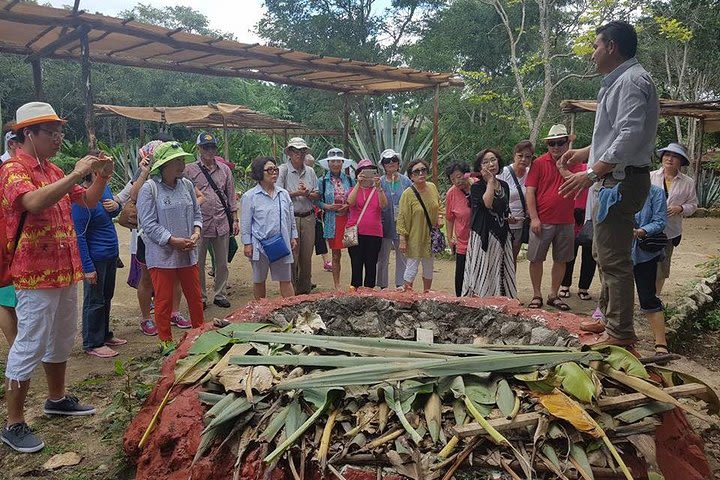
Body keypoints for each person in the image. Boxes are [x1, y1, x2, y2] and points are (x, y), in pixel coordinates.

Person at [1, 102, 112, 453]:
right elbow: (32, 203)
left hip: (66, 270)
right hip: (34, 275)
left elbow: (90, 202)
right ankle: (14, 423)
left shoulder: (53, 170)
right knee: (30, 341)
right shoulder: (13, 169)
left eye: (59, 131)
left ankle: (57, 398)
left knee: (63, 336)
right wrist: (76, 174)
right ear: (27, 134)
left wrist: (102, 177)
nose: (58, 138)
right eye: (51, 132)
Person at [559, 20, 658, 347]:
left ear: (611, 47)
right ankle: (605, 317)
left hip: (620, 183)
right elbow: (616, 137)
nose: (592, 54)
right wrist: (585, 152)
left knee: (614, 260)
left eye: (595, 46)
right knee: (603, 254)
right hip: (614, 180)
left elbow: (629, 137)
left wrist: (590, 173)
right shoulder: (618, 81)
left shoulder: (631, 81)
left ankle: (621, 334)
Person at [115, 140, 191, 335]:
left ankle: (174, 312)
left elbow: (196, 197)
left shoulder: (178, 180)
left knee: (175, 276)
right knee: (147, 278)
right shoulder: (143, 178)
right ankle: (146, 318)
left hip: (172, 232)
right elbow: (133, 194)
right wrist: (145, 171)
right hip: (147, 236)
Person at [136, 142, 205, 352]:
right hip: (162, 255)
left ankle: (199, 336)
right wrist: (172, 240)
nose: (182, 164)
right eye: (177, 160)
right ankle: (166, 341)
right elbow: (147, 223)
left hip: (187, 252)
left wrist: (196, 232)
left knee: (194, 295)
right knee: (163, 300)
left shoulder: (186, 185)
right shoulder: (150, 188)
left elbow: (196, 214)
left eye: (182, 160)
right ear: (164, 165)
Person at [525, 126, 583, 311]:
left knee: (561, 259)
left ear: (567, 143)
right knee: (536, 258)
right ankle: (536, 294)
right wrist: (534, 218)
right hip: (543, 220)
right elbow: (530, 192)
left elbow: (579, 188)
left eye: (560, 142)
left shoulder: (575, 163)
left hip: (566, 220)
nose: (556, 147)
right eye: (551, 143)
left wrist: (563, 168)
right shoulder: (539, 163)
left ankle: (553, 294)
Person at [71, 171, 126, 358]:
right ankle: (93, 342)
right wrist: (87, 267)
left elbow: (114, 213)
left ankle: (104, 334)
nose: (106, 175)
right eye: (100, 171)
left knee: (106, 296)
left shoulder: (104, 189)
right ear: (91, 173)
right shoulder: (81, 199)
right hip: (96, 257)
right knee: (94, 300)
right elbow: (79, 236)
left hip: (110, 255)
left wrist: (117, 206)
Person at [185, 132, 238, 309]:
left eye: (212, 147)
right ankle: (200, 296)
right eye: (205, 147)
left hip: (221, 221)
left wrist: (235, 219)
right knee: (198, 262)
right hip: (198, 224)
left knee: (222, 262)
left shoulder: (225, 170)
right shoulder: (189, 170)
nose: (209, 150)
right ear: (199, 148)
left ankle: (220, 293)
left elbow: (230, 195)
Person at [241, 157, 297, 299]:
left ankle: (292, 311)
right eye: (270, 170)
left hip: (282, 243)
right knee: (259, 280)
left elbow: (290, 218)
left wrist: (293, 236)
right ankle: (261, 312)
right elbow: (246, 223)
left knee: (286, 279)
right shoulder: (250, 196)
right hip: (259, 246)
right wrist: (247, 244)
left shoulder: (283, 194)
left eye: (275, 169)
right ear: (260, 173)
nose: (274, 173)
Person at [463, 152, 517, 297]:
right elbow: (487, 203)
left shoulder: (504, 185)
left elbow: (503, 206)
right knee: (484, 270)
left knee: (501, 269)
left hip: (502, 234)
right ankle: (484, 300)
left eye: (493, 160)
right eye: (486, 162)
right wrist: (491, 182)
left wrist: (509, 216)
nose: (491, 164)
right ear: (480, 167)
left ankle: (502, 299)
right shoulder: (476, 187)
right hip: (484, 236)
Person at [650, 142, 698, 295]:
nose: (670, 159)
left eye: (675, 156)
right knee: (641, 263)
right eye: (667, 155)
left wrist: (680, 208)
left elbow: (693, 205)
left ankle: (655, 297)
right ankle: (643, 295)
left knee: (662, 266)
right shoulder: (650, 177)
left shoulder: (687, 182)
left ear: (681, 162)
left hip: (669, 231)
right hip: (647, 228)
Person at [276, 137, 319, 295]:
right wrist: (297, 193)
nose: (299, 154)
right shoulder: (282, 170)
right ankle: (291, 293)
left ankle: (304, 292)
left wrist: (307, 193)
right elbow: (278, 194)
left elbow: (317, 194)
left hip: (308, 217)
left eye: (302, 151)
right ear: (289, 152)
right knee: (291, 257)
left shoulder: (310, 171)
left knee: (306, 257)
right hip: (290, 218)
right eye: (296, 150)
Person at [631, 185, 670, 355]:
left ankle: (661, 342)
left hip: (643, 252)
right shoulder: (613, 189)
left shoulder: (655, 192)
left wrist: (641, 231)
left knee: (647, 296)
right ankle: (612, 331)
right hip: (617, 250)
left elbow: (660, 221)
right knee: (613, 293)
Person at [397, 159, 441, 293]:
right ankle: (408, 294)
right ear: (411, 176)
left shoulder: (432, 187)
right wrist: (403, 238)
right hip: (415, 235)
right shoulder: (408, 194)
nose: (421, 173)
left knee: (429, 265)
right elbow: (402, 217)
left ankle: (426, 293)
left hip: (430, 235)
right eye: (416, 171)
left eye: (423, 170)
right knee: (412, 265)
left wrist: (439, 217)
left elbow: (439, 205)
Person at [317, 148, 355, 290]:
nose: (335, 164)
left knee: (354, 253)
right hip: (333, 221)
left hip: (348, 220)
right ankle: (337, 284)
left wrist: (347, 205)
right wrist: (327, 206)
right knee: (335, 254)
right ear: (328, 163)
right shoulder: (323, 181)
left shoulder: (350, 180)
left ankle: (354, 283)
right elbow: (316, 200)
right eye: (333, 161)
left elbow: (354, 198)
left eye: (338, 161)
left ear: (342, 163)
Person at [346, 159, 387, 289]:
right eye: (364, 171)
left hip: (374, 233)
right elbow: (350, 202)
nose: (367, 175)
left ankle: (369, 293)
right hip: (355, 232)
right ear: (358, 173)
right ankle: (355, 291)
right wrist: (358, 183)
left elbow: (384, 206)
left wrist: (378, 188)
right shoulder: (353, 189)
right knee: (356, 264)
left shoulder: (378, 190)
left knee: (371, 265)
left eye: (371, 171)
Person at [559, 164, 596, 301]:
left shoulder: (600, 167)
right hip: (573, 215)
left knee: (589, 255)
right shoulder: (576, 167)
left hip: (591, 216)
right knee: (569, 254)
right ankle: (565, 284)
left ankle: (584, 287)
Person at [376, 148, 412, 290]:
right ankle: (381, 284)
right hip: (383, 223)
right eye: (387, 161)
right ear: (383, 164)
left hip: (401, 224)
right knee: (382, 256)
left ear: (398, 163)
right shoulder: (379, 182)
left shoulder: (406, 181)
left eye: (394, 160)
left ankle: (400, 284)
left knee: (402, 256)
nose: (391, 163)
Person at [496, 140, 533, 265]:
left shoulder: (531, 174)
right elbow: (496, 196)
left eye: (527, 157)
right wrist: (505, 214)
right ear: (514, 156)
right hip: (503, 223)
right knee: (499, 258)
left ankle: (510, 284)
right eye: (520, 156)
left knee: (512, 258)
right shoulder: (503, 173)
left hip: (520, 223)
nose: (523, 159)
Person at [444, 161, 472, 296]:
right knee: (461, 273)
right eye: (452, 179)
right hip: (462, 240)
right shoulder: (451, 194)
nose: (457, 181)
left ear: (466, 174)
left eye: (459, 176)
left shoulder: (478, 185)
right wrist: (449, 237)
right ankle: (460, 300)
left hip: (480, 239)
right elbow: (449, 218)